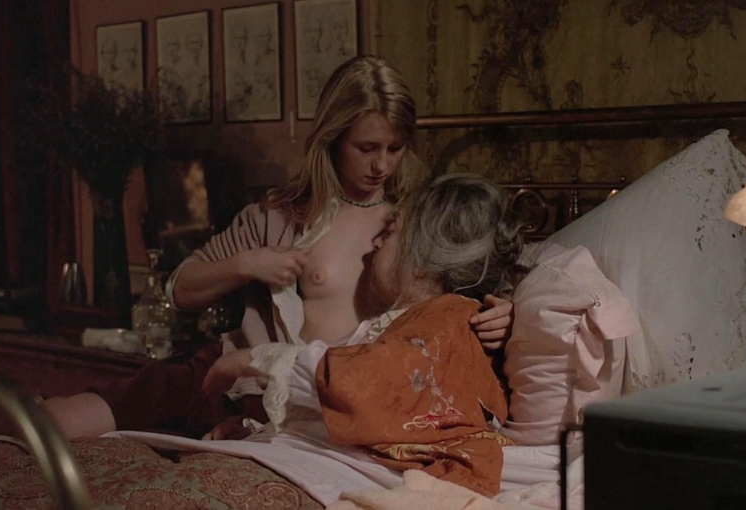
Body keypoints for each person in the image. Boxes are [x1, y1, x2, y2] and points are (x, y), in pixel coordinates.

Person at [43, 55, 514, 440]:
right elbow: (180, 289)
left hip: (319, 402)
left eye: (395, 148)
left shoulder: (416, 219)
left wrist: (504, 312)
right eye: (367, 148)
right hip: (233, 375)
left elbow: (468, 287)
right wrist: (248, 264)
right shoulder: (283, 214)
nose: (382, 165)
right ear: (334, 139)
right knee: (67, 420)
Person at [118, 173, 523, 506]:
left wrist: (256, 359)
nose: (376, 243)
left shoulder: (450, 320)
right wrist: (259, 428)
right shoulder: (415, 322)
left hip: (357, 476)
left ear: (422, 255)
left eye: (392, 231)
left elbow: (369, 387)